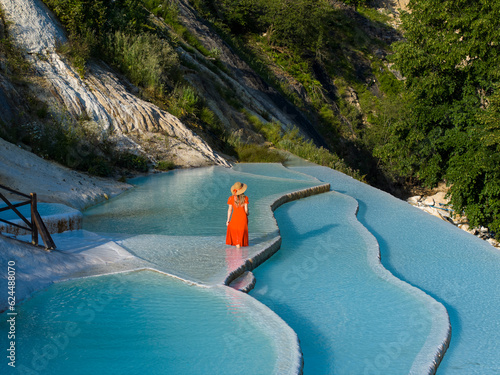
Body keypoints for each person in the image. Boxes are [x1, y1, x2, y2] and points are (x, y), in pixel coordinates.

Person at [226, 182, 249, 248]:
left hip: (234, 218)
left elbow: (229, 210)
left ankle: (237, 254)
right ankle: (240, 254)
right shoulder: (245, 198)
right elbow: (246, 210)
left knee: (236, 237)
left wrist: (228, 220)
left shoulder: (231, 198)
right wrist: (247, 214)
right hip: (243, 218)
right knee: (241, 236)